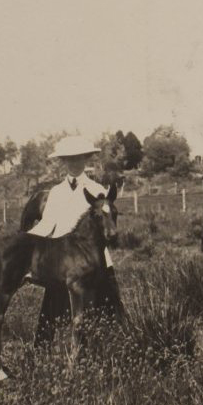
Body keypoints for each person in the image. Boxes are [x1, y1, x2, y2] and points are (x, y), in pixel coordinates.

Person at [26, 135, 125, 347]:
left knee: (106, 309)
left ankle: (106, 350)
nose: (74, 163)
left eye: (79, 158)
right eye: (69, 159)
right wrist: (24, 244)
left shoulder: (97, 190)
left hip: (94, 261)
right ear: (63, 161)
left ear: (86, 159)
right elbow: (47, 225)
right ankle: (46, 352)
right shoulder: (56, 192)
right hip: (62, 260)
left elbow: (107, 227)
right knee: (53, 310)